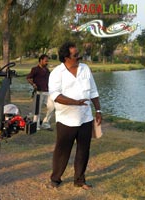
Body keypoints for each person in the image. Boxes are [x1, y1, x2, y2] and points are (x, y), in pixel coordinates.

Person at [48, 42, 102, 190]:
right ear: (66, 57)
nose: (79, 57)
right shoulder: (57, 73)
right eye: (75, 55)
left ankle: (80, 180)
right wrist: (75, 103)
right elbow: (55, 95)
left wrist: (98, 111)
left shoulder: (85, 69)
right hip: (66, 120)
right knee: (62, 151)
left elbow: (93, 92)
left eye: (78, 54)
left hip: (85, 118)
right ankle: (55, 179)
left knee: (84, 150)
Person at [27, 54, 54, 131]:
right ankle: (36, 125)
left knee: (52, 107)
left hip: (47, 92)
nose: (47, 62)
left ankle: (45, 123)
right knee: (37, 110)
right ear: (41, 60)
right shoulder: (35, 69)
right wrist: (33, 84)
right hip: (39, 92)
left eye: (47, 61)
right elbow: (29, 78)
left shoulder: (47, 70)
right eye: (46, 61)